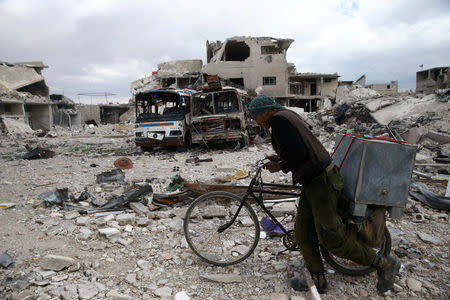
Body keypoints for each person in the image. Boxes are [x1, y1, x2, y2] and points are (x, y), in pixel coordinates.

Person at [247, 95, 400, 294]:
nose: (255, 120)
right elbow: (298, 148)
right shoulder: (286, 117)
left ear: (266, 111)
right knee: (303, 232)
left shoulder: (279, 120)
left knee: (332, 238)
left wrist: (280, 166)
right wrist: (281, 158)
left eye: (256, 116)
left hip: (321, 182)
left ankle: (383, 263)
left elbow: (299, 154)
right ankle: (318, 279)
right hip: (312, 182)